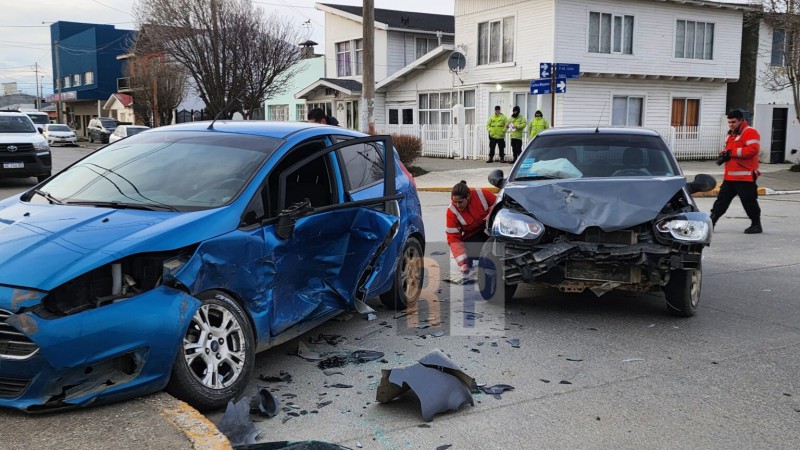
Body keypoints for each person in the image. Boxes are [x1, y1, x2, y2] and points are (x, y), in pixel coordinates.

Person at [710, 109, 762, 234]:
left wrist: (731, 153)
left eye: (733, 122)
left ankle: (756, 225)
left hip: (745, 176)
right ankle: (711, 222)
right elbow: (728, 149)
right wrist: (725, 153)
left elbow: (753, 150)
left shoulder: (750, 132)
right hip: (730, 176)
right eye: (729, 122)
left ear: (741, 120)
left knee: (749, 201)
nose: (731, 124)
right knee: (721, 200)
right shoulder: (731, 134)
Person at [446, 180, 497, 274]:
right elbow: (453, 238)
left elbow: (499, 205)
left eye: (460, 202)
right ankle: (470, 259)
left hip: (489, 229)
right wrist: (463, 262)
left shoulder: (482, 194)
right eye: (455, 202)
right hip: (472, 235)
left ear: (468, 197)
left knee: (495, 248)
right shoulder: (452, 211)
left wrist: (491, 213)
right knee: (472, 249)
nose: (458, 205)